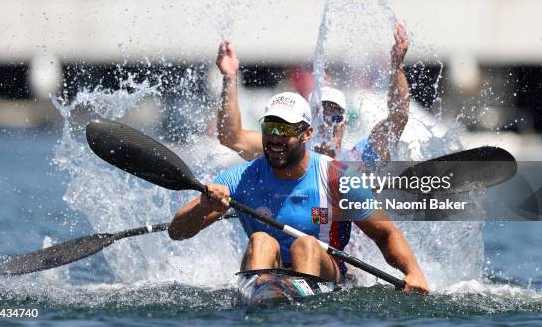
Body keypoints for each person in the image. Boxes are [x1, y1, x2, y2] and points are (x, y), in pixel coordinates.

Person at [169, 92, 429, 294]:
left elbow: (386, 233)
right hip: (267, 275)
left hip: (326, 271)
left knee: (306, 244)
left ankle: (298, 311)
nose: (274, 138)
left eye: (285, 130)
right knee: (261, 240)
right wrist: (205, 204)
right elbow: (177, 232)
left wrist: (413, 272)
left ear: (307, 134)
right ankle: (263, 302)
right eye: (269, 127)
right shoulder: (241, 178)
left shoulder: (338, 177)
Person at [215, 23, 410, 163]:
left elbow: (398, 117)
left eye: (335, 116)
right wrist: (230, 78)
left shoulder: (361, 158)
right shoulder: (286, 152)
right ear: (307, 127)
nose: (327, 123)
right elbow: (232, 137)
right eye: (319, 115)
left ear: (345, 122)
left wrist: (397, 66)